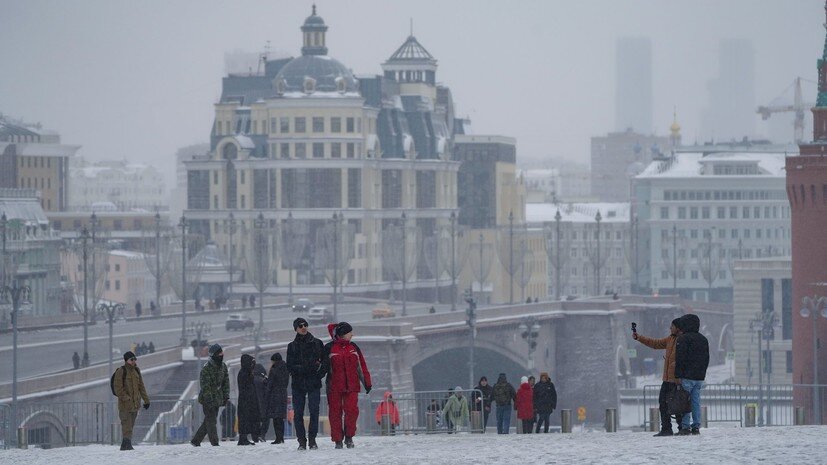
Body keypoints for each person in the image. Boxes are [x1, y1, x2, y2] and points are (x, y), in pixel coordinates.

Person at [633, 317, 684, 436]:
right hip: (667, 379)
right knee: (663, 402)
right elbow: (655, 343)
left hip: (676, 379)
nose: (670, 328)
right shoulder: (670, 339)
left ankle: (682, 427)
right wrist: (639, 337)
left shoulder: (682, 340)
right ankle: (666, 428)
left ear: (678, 328)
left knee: (676, 404)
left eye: (672, 326)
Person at [325, 321, 372, 449]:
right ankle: (338, 440)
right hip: (334, 387)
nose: (352, 335)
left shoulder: (354, 348)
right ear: (343, 334)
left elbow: (361, 367)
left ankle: (349, 437)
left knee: (352, 412)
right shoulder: (329, 348)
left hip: (352, 386)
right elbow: (323, 368)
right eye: (350, 332)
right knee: (335, 413)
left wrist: (367, 383)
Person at [286, 317, 327, 450]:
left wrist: (319, 374)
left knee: (314, 412)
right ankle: (301, 441)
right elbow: (289, 366)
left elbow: (325, 362)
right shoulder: (292, 346)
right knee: (298, 413)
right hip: (298, 384)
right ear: (296, 329)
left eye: (305, 325)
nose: (303, 327)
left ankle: (312, 440)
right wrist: (304, 369)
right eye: (300, 326)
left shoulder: (317, 343)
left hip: (313, 382)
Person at [675, 314, 709, 436]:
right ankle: (696, 426)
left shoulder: (683, 339)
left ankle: (685, 426)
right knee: (695, 401)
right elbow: (706, 359)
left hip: (686, 376)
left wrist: (678, 375)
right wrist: (702, 374)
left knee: (684, 401)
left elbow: (680, 359)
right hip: (699, 376)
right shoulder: (703, 339)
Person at [191, 344, 230, 447]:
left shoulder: (223, 366)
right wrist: (209, 400)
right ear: (214, 355)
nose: (222, 355)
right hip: (207, 399)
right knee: (211, 421)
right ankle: (215, 443)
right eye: (219, 353)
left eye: (222, 353)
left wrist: (226, 396)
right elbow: (205, 387)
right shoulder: (206, 369)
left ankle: (196, 440)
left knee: (208, 421)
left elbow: (226, 382)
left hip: (217, 398)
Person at [113, 351, 150, 450]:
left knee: (131, 426)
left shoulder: (136, 371)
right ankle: (127, 445)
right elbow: (118, 389)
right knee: (127, 425)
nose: (134, 361)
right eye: (132, 359)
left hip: (135, 404)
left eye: (135, 359)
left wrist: (146, 400)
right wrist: (127, 399)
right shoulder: (121, 371)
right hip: (125, 405)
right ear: (126, 360)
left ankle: (124, 445)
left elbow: (141, 387)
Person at [265, 352, 289, 444]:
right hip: (283, 394)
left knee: (276, 418)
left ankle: (278, 438)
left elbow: (271, 383)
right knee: (280, 418)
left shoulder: (274, 369)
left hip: (275, 395)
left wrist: (267, 392)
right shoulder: (285, 368)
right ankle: (281, 437)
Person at [236, 354, 260, 445]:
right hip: (245, 401)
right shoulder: (244, 373)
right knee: (244, 419)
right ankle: (243, 438)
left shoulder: (246, 372)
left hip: (247, 400)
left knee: (247, 419)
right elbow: (246, 387)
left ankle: (244, 437)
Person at [252, 363, 268, 441]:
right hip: (263, 402)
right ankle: (262, 434)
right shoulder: (263, 380)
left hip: (254, 403)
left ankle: (255, 436)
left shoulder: (251, 379)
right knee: (265, 419)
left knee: (255, 420)